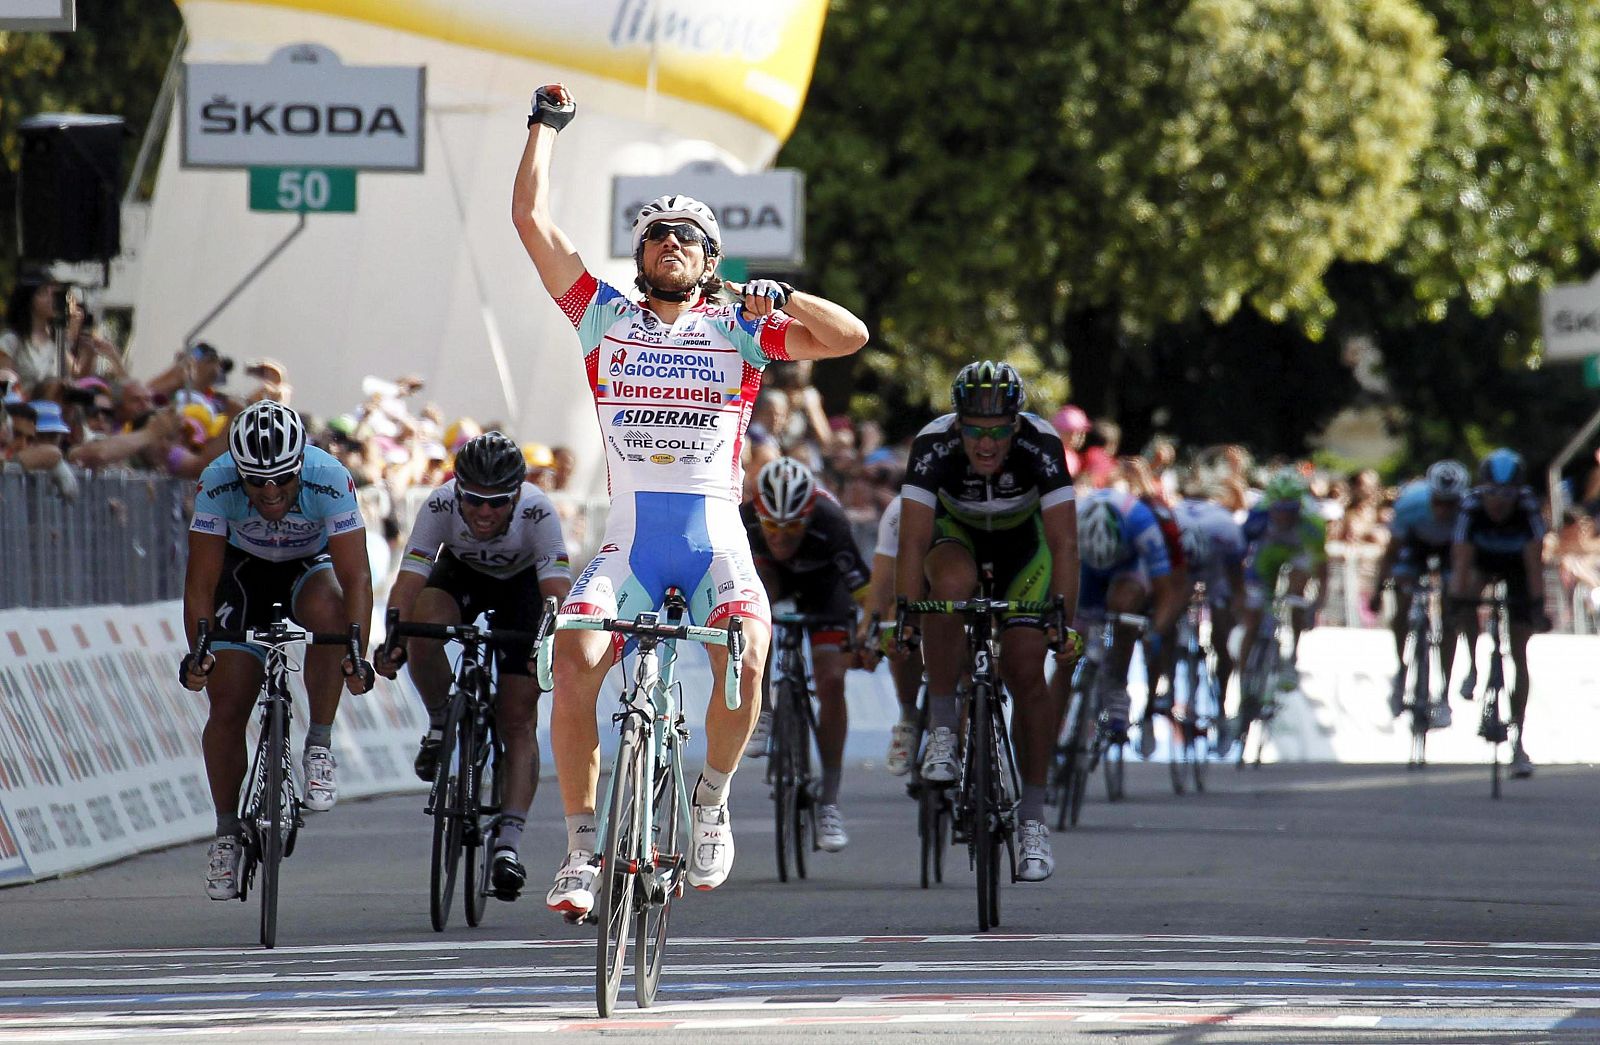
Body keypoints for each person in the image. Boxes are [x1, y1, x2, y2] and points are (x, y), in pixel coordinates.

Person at [511, 83, 869, 915]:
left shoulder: (740, 328)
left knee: (746, 655)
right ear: (642, 256)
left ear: (711, 261)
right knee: (573, 661)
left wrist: (781, 298)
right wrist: (544, 127)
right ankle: (580, 847)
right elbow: (532, 221)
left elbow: (848, 337)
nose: (670, 242)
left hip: (715, 542)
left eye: (689, 237)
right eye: (657, 234)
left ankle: (709, 800)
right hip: (630, 543)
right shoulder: (602, 316)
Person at [177, 401, 375, 901]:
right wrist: (198, 650)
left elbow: (357, 577)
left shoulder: (330, 477)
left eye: (282, 481)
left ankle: (320, 745)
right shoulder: (216, 481)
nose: (269, 492)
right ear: (237, 472)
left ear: (300, 466)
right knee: (228, 701)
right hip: (240, 572)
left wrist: (357, 649)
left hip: (306, 567)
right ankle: (225, 833)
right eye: (256, 482)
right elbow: (200, 581)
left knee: (332, 616)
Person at [897, 360, 1079, 883]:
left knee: (1025, 667)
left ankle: (1033, 820)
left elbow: (1065, 542)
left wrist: (1063, 619)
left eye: (998, 431)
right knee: (948, 588)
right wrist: (905, 616)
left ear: (1016, 425)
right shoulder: (932, 443)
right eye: (973, 430)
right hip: (959, 538)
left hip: (1026, 549)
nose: (985, 443)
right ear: (957, 424)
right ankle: (943, 728)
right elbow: (912, 540)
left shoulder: (1041, 445)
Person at [375, 431, 572, 900]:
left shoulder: (539, 512)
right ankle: (442, 720)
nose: (484, 513)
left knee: (518, 718)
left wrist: (545, 644)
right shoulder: (440, 506)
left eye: (497, 502)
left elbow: (556, 595)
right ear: (457, 491)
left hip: (523, 587)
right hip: (461, 573)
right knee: (424, 624)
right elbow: (408, 581)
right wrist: (394, 638)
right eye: (474, 501)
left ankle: (508, 842)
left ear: (518, 495)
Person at [740, 457, 872, 851]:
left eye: (793, 526)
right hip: (772, 583)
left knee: (831, 680)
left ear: (808, 514)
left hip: (824, 588)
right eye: (773, 526)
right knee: (753, 611)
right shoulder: (743, 520)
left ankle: (829, 800)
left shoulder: (830, 521)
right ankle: (762, 708)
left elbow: (865, 591)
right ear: (759, 513)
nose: (781, 537)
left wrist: (870, 634)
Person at [1449, 449, 1548, 778]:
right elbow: (1461, 562)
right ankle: (1474, 667)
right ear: (1482, 488)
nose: (1499, 502)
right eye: (1493, 493)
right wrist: (1457, 602)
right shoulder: (1471, 505)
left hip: (1517, 568)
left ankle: (1519, 741)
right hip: (1482, 562)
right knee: (1466, 598)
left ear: (1518, 492)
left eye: (1507, 494)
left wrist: (1537, 606)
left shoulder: (1528, 507)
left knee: (1520, 651)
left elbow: (1535, 564)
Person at [1368, 460, 1471, 724]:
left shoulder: (1468, 511)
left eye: (1451, 504)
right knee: (1402, 598)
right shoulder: (1410, 504)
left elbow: (1465, 561)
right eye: (1439, 502)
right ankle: (1402, 669)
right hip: (1415, 548)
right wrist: (1379, 589)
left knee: (1450, 614)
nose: (1445, 509)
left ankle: (1444, 694)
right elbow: (1391, 553)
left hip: (1451, 549)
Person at [1238, 469, 1329, 685]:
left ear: (1300, 506)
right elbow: (1239, 556)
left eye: (1291, 510)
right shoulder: (1258, 514)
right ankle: (1243, 677)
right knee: (1252, 617)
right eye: (1279, 509)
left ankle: (1292, 657)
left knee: (1297, 593)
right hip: (1265, 557)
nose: (1284, 515)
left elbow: (1322, 571)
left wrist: (1315, 605)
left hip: (1297, 556)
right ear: (1271, 504)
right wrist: (1241, 592)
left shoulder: (1312, 522)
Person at [1173, 476, 1248, 739]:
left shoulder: (1175, 512)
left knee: (1168, 619)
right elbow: (1235, 574)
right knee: (1222, 637)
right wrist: (1238, 604)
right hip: (1216, 572)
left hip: (1181, 569)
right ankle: (1221, 705)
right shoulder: (1226, 520)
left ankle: (1161, 692)